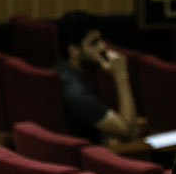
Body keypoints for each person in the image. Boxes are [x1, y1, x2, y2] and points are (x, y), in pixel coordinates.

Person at [53, 10, 137, 144]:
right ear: (74, 50)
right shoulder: (76, 91)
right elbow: (128, 130)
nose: (102, 47)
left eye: (101, 40)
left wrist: (106, 134)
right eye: (94, 43)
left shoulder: (62, 70)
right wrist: (121, 75)